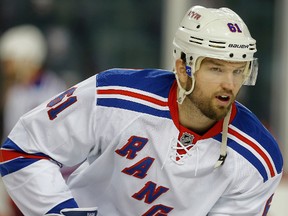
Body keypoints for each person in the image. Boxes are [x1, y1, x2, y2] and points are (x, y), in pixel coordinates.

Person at [0, 5, 283, 216]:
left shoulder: (259, 158)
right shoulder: (114, 95)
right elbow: (23, 150)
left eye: (238, 71)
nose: (229, 84)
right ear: (182, 69)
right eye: (216, 68)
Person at [0, 25, 67, 215]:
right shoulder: (15, 91)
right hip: (17, 171)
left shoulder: (52, 89)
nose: (7, 68)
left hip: (41, 175)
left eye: (10, 62)